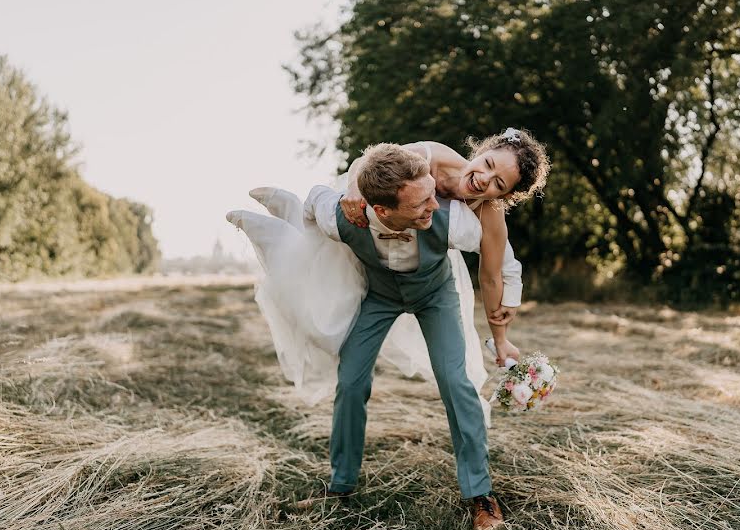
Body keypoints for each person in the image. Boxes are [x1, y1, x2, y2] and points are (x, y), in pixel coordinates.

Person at [226, 128, 550, 429]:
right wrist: (355, 189)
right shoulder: (434, 155)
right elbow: (372, 162)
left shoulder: (488, 213)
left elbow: (493, 274)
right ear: (482, 150)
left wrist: (502, 336)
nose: (484, 179)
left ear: (505, 196)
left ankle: (294, 216)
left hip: (420, 253)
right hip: (365, 206)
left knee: (336, 327)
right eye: (488, 164)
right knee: (321, 273)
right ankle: (290, 214)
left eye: (498, 184)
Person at [296, 143, 511, 530]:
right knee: (350, 379)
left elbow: (498, 268)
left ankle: (480, 493)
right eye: (422, 202)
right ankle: (341, 484)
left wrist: (502, 334)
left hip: (435, 295)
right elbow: (313, 199)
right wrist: (345, 198)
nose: (436, 204)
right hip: (379, 296)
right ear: (382, 211)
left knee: (455, 380)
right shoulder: (342, 218)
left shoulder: (457, 220)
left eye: (433, 193)